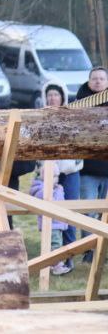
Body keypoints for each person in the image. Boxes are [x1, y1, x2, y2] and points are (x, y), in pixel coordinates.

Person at [37, 83, 82, 274]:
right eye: (50, 95)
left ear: (62, 96)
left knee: (69, 214)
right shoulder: (40, 117)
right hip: (49, 172)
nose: (52, 98)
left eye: (56, 94)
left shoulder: (72, 117)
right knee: (50, 215)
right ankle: (53, 258)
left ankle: (69, 256)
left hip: (70, 172)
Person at [75, 67, 108, 259]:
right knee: (88, 212)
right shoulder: (80, 103)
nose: (97, 81)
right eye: (94, 78)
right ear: (88, 82)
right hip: (87, 168)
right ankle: (88, 250)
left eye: (102, 79)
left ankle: (103, 250)